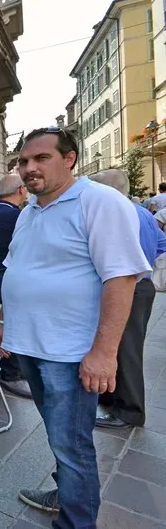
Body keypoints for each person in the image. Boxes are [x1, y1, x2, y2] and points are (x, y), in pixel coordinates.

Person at [0, 127, 149, 527]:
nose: (29, 168)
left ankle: (76, 521)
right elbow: (17, 269)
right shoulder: (30, 211)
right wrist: (5, 323)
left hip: (69, 352)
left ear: (69, 159)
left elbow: (121, 277)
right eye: (24, 161)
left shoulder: (99, 201)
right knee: (59, 438)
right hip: (29, 345)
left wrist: (104, 353)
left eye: (40, 158)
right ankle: (66, 494)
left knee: (72, 445)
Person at [89, 169, 166, 428]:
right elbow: (162, 245)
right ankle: (112, 397)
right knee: (125, 347)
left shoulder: (113, 214)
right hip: (141, 287)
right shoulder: (144, 213)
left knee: (125, 350)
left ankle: (130, 411)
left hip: (127, 288)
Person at [0, 174, 31, 399]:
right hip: (10, 275)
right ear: (20, 190)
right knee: (13, 323)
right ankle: (11, 374)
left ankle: (15, 372)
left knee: (14, 321)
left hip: (5, 274)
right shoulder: (12, 215)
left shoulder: (0, 212)